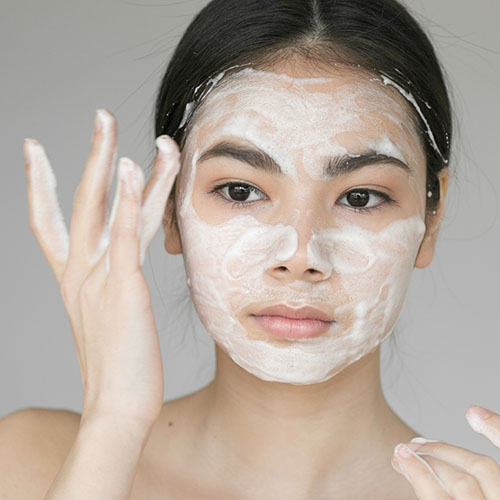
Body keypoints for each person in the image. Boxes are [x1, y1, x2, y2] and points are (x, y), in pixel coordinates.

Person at [2, 0, 499, 498]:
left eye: (360, 197)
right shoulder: (30, 462)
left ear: (430, 220)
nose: (300, 254)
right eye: (240, 191)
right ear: (170, 209)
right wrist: (112, 425)